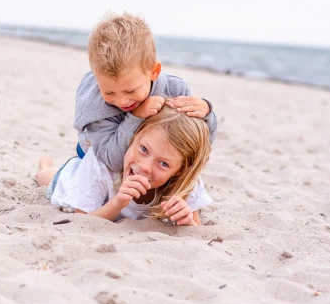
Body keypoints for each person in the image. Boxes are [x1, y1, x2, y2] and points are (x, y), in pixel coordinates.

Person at [73, 12, 217, 203]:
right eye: (109, 93)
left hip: (147, 159)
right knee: (63, 181)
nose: (122, 101)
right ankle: (46, 170)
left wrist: (206, 112)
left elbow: (199, 143)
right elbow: (113, 160)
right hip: (96, 155)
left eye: (131, 90)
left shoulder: (175, 89)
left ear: (154, 72)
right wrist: (136, 116)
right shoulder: (95, 106)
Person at [37, 105, 211, 225]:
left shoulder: (186, 181)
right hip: (72, 178)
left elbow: (196, 228)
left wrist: (186, 220)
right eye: (144, 149)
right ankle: (44, 167)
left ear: (180, 170)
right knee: (47, 177)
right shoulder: (101, 165)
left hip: (89, 181)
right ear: (134, 136)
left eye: (163, 163)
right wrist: (118, 203)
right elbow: (82, 221)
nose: (145, 167)